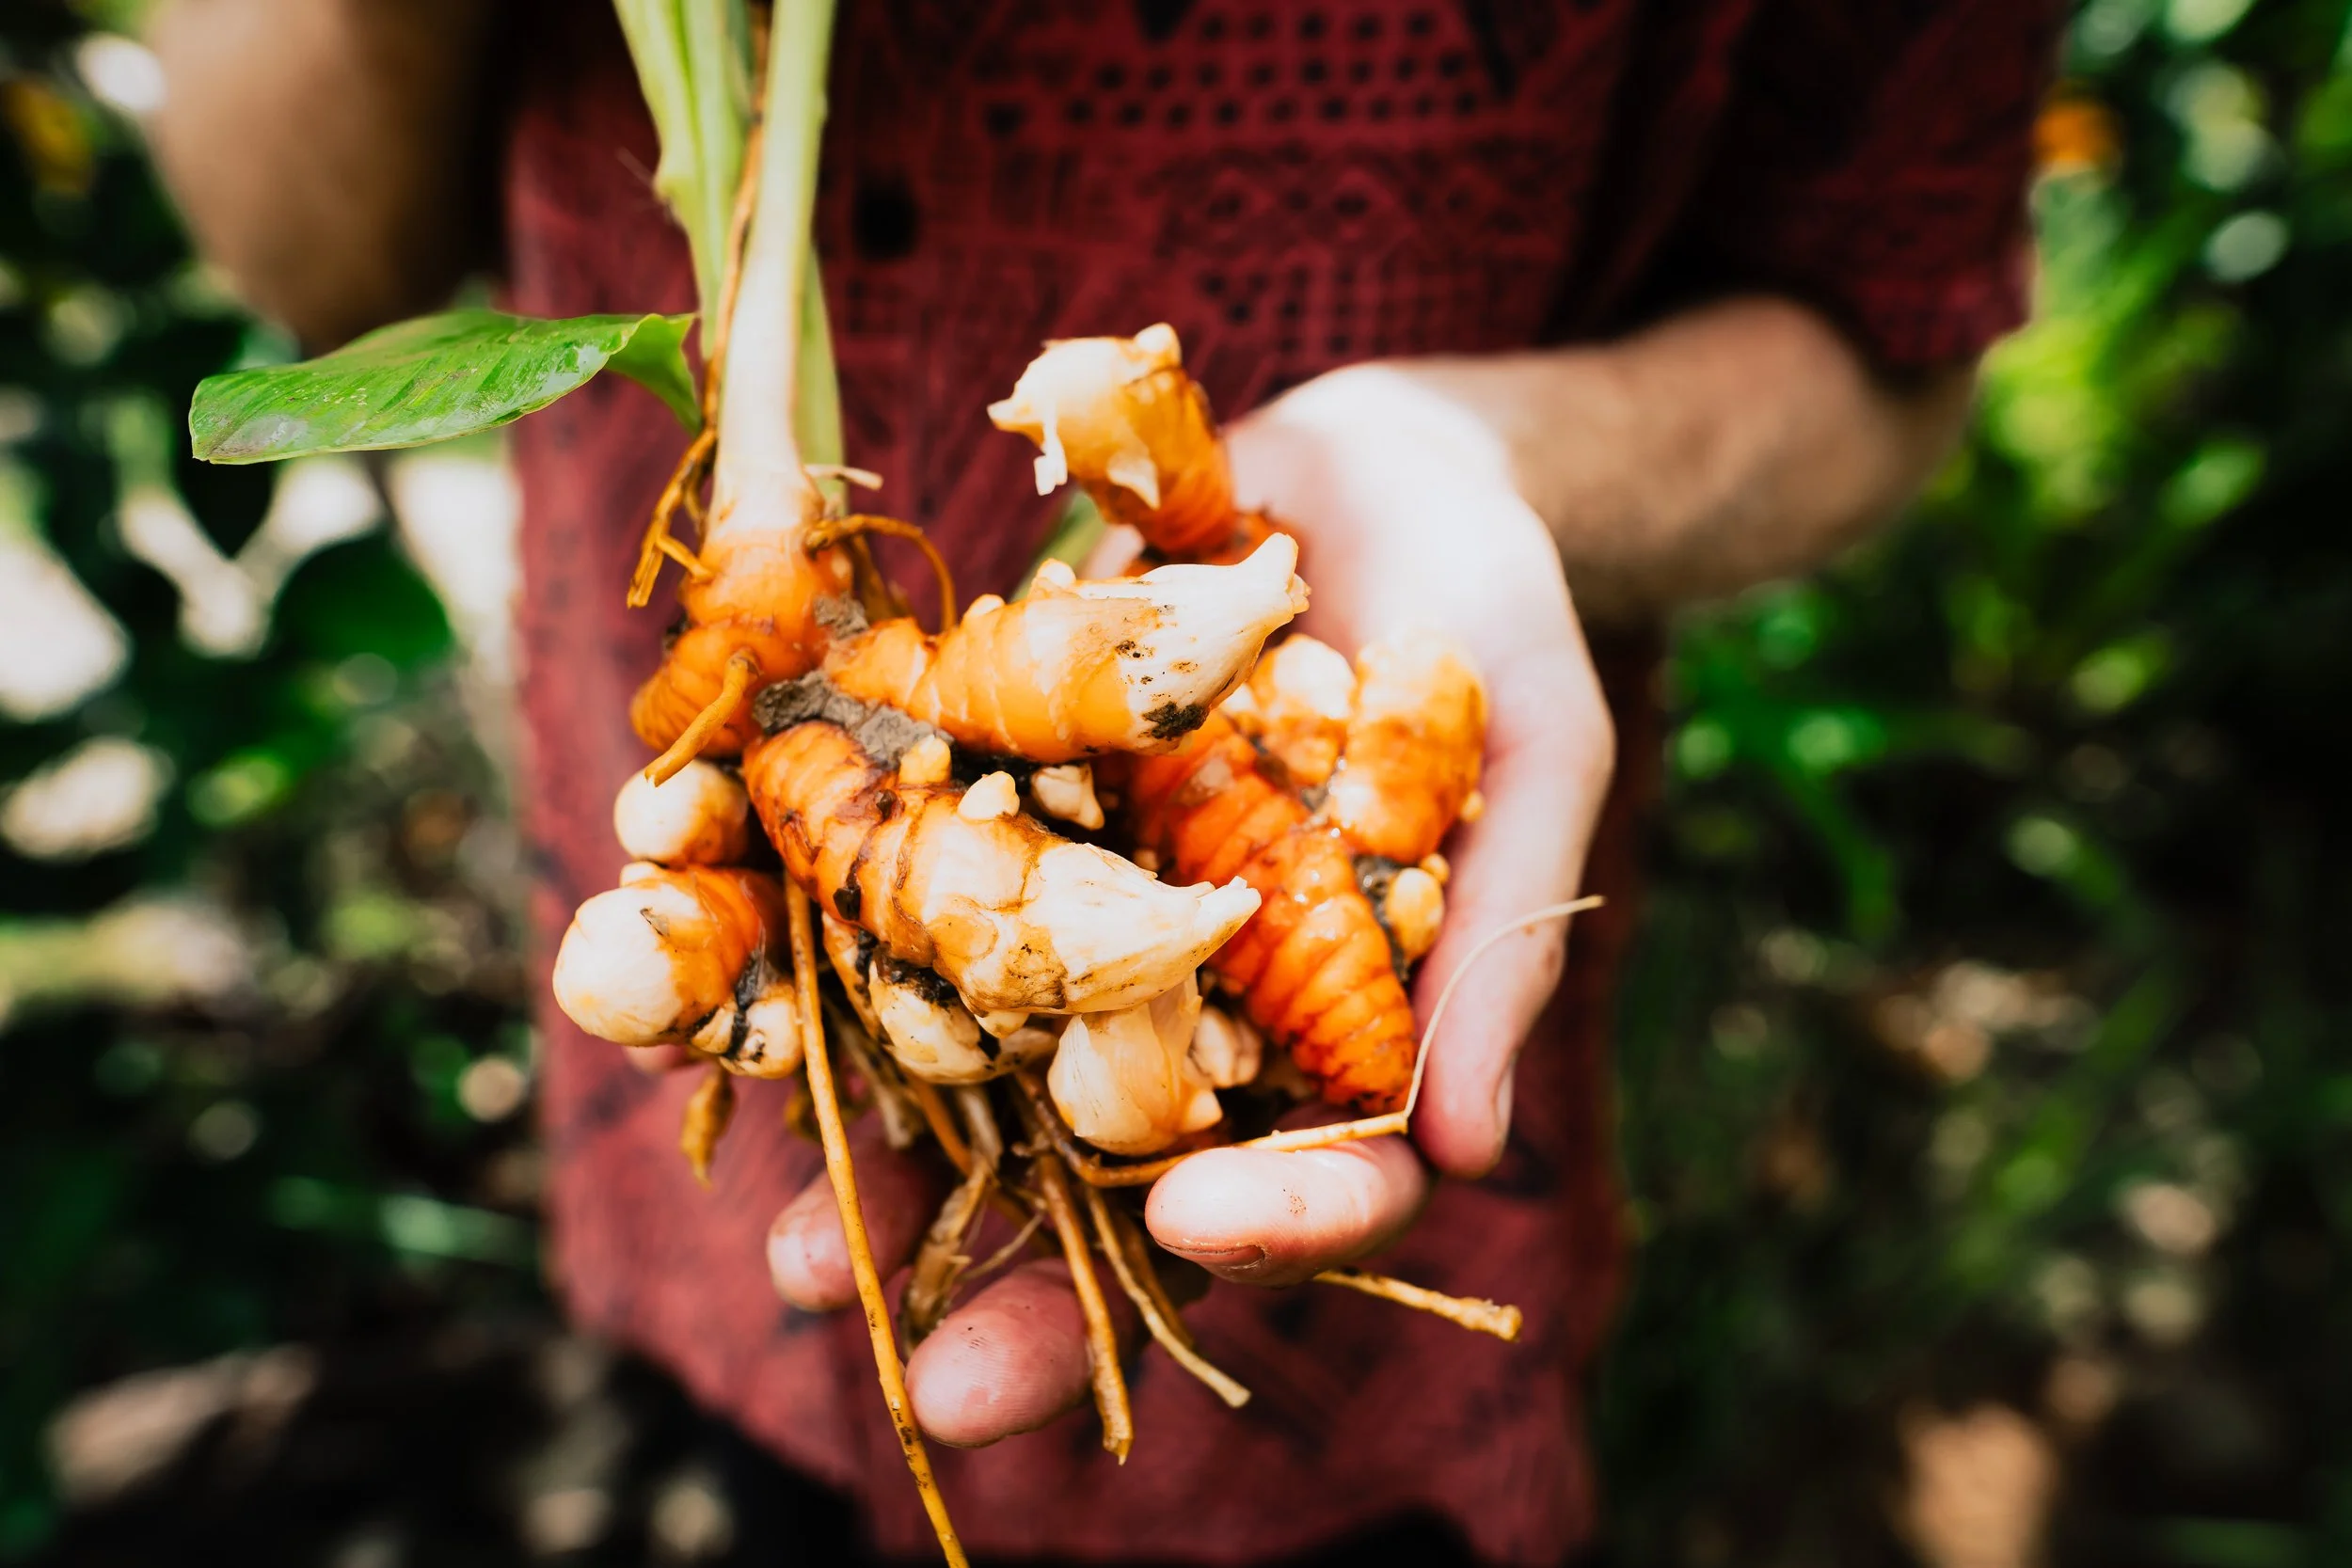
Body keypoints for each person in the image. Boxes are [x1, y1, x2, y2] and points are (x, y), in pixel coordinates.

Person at [146, 0, 2058, 1560]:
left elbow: (1881, 322)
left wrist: (1487, 457)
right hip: (718, 1069)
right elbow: (302, 263)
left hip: (1362, 1182)